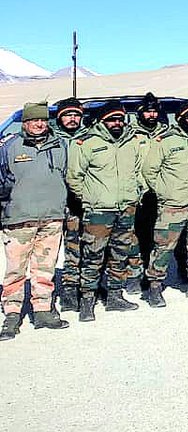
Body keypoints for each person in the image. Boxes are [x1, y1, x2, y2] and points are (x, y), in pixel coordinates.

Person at [66, 100, 143, 319]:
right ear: (102, 121)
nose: (117, 123)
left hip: (126, 208)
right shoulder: (85, 143)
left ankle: (115, 296)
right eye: (112, 119)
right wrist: (90, 199)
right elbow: (74, 177)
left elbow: (137, 171)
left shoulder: (131, 142)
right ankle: (87, 300)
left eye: (120, 119)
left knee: (120, 254)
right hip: (99, 210)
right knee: (93, 255)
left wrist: (134, 193)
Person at [0, 102, 71, 339]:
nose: (39, 124)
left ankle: (42, 309)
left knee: (45, 267)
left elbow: (68, 178)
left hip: (52, 218)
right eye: (34, 121)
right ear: (25, 123)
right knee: (15, 269)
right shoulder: (9, 146)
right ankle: (12, 313)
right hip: (19, 218)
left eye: (43, 120)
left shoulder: (61, 144)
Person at [142, 100, 188, 303]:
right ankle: (155, 287)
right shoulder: (165, 141)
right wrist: (165, 192)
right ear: (181, 118)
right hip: (172, 205)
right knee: (163, 247)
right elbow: (149, 171)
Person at [126, 92, 166, 295]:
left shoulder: (166, 134)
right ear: (140, 113)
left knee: (156, 238)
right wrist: (141, 187)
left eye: (154, 112)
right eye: (148, 112)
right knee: (135, 239)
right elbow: (129, 166)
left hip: (160, 194)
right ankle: (134, 275)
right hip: (138, 194)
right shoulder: (130, 135)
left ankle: (153, 276)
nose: (152, 115)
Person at [52, 97, 86, 311]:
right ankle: (63, 290)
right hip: (55, 202)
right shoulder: (51, 139)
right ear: (59, 117)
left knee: (79, 247)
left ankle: (79, 288)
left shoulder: (88, 138)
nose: (72, 119)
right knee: (51, 251)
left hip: (79, 203)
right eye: (68, 115)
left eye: (76, 115)